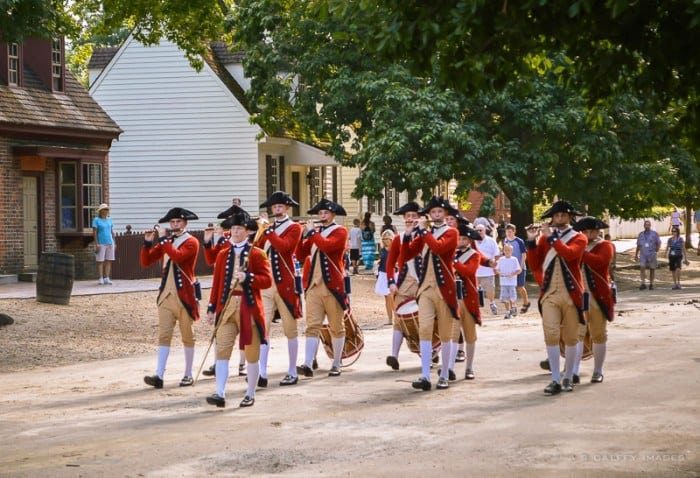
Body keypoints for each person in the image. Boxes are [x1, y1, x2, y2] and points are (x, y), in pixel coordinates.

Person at [205, 211, 272, 408]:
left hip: (248, 307)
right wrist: (211, 308)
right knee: (222, 351)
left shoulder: (257, 254)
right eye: (233, 228)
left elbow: (267, 281)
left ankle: (250, 393)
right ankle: (220, 393)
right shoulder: (222, 254)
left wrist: (249, 278)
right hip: (226, 308)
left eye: (239, 229)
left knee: (251, 354)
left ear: (247, 232)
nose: (235, 232)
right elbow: (217, 283)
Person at [526, 200, 587, 395]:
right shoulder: (545, 239)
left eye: (563, 215)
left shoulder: (579, 238)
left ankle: (568, 376)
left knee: (570, 338)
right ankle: (554, 379)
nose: (559, 218)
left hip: (572, 294)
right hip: (550, 292)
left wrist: (551, 238)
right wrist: (531, 241)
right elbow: (535, 264)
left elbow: (569, 255)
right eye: (556, 215)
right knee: (551, 334)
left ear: (570, 217)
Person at [401, 196, 459, 391]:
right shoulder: (424, 234)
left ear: (445, 214)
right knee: (424, 330)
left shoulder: (452, 232)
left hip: (444, 289)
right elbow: (406, 254)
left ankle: (444, 374)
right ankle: (425, 375)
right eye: (433, 212)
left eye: (439, 212)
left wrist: (424, 230)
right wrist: (409, 234)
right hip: (425, 287)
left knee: (444, 333)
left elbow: (439, 247)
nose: (435, 215)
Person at [140, 207, 201, 389]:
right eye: (172, 222)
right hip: (166, 294)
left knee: (187, 336)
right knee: (164, 335)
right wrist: (147, 243)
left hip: (184, 295)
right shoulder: (167, 241)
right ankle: (159, 375)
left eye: (178, 222)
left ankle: (188, 374)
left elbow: (178, 257)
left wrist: (164, 240)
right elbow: (146, 261)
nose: (175, 225)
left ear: (185, 223)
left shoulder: (191, 242)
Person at [254, 191, 304, 386]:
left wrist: (267, 231)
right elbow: (257, 249)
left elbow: (285, 247)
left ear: (287, 208)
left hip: (286, 284)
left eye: (280, 206)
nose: (277, 209)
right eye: (274, 207)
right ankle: (262, 372)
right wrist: (259, 232)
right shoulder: (268, 228)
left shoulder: (294, 227)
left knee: (290, 329)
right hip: (267, 283)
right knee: (262, 327)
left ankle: (292, 370)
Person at [296, 198, 349, 377]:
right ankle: (308, 363)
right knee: (312, 326)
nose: (322, 216)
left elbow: (327, 247)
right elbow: (300, 254)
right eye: (320, 213)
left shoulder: (340, 231)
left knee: (336, 326)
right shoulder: (315, 233)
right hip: (313, 286)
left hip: (332, 286)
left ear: (333, 215)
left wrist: (312, 233)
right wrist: (302, 235)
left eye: (325, 213)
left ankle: (336, 362)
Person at [570, 216, 615, 384]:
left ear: (597, 231)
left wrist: (580, 252)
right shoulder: (576, 245)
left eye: (592, 231)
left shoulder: (606, 246)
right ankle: (574, 370)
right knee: (577, 334)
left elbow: (600, 262)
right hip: (579, 295)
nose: (589, 234)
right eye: (585, 231)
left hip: (597, 296)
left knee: (598, 334)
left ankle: (598, 370)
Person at [385, 201, 422, 370]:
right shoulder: (399, 239)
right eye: (408, 216)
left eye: (414, 216)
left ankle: (429, 351)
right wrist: (391, 282)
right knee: (399, 319)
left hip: (422, 281)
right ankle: (394, 355)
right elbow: (390, 262)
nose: (411, 219)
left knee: (425, 318)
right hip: (404, 281)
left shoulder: (425, 235)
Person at [450, 222, 486, 380]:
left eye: (464, 239)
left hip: (468, 299)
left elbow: (468, 271)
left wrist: (454, 262)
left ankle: (469, 367)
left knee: (470, 335)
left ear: (469, 241)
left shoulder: (474, 255)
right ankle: (449, 367)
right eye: (459, 239)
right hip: (453, 299)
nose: (461, 242)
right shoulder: (451, 254)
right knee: (452, 334)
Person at [503, 224, 530, 313]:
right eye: (507, 232)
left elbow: (524, 255)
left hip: (520, 267)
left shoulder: (519, 241)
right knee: (511, 287)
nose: (508, 233)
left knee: (520, 287)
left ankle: (526, 303)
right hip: (510, 269)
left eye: (510, 232)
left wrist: (521, 267)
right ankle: (512, 307)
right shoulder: (505, 241)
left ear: (514, 232)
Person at [474, 224, 500, 315]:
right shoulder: (472, 241)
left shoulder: (491, 241)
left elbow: (497, 255)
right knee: (473, 291)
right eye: (477, 230)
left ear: (485, 231)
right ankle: (475, 308)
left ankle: (492, 303)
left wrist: (496, 267)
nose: (479, 232)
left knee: (490, 290)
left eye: (481, 230)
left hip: (488, 271)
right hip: (474, 272)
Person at [495, 244, 522, 319]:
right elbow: (497, 269)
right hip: (503, 282)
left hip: (512, 282)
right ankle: (508, 311)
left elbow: (519, 270)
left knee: (512, 298)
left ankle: (513, 307)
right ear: (503, 251)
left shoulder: (514, 259)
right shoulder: (501, 259)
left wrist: (512, 274)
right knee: (504, 298)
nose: (507, 252)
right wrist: (499, 273)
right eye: (506, 250)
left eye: (509, 250)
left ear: (512, 251)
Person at [375, 229, 396, 325]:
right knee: (386, 298)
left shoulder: (396, 249)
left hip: (392, 274)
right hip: (383, 274)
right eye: (384, 238)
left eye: (388, 238)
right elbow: (382, 260)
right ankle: (390, 319)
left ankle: (397, 317)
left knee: (391, 297)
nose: (386, 240)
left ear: (392, 238)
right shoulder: (382, 250)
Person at [634, 220, 661, 290]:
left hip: (652, 254)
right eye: (646, 225)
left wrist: (657, 249)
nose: (647, 226)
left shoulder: (654, 234)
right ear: (644, 226)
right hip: (643, 254)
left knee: (652, 269)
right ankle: (643, 283)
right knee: (642, 267)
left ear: (650, 225)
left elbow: (658, 242)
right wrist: (636, 254)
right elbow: (638, 245)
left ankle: (651, 283)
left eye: (648, 225)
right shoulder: (641, 234)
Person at [92, 203, 115, 285]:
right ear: (101, 211)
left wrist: (114, 242)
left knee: (109, 260)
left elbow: (112, 232)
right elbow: (94, 233)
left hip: (110, 242)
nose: (106, 211)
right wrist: (96, 243)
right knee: (100, 261)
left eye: (107, 209)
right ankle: (101, 278)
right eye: (105, 209)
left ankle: (107, 278)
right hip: (101, 243)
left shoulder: (110, 220)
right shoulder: (96, 220)